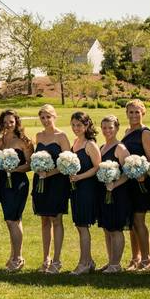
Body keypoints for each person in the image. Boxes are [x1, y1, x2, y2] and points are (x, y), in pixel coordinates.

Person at [32, 104, 70, 273]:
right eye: (43, 117)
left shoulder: (61, 136)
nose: (46, 120)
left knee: (56, 219)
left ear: (54, 117)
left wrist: (50, 173)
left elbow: (68, 163)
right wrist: (39, 169)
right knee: (44, 220)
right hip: (40, 182)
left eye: (48, 116)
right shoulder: (38, 136)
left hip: (57, 183)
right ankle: (45, 258)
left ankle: (56, 260)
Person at [122, 100, 150, 270]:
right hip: (129, 182)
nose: (134, 115)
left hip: (143, 182)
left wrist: (142, 174)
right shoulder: (127, 131)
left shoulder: (145, 133)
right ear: (126, 113)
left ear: (143, 113)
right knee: (131, 222)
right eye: (131, 112)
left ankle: (147, 258)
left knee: (138, 220)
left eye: (137, 112)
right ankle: (135, 258)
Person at [0, 109, 31, 272]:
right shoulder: (1, 141)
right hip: (3, 182)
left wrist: (14, 169)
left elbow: (30, 165)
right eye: (5, 122)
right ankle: (14, 254)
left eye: (11, 122)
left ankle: (18, 258)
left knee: (13, 220)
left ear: (16, 122)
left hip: (18, 183)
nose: (8, 125)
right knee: (10, 221)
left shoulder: (24, 140)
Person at [97, 115, 131, 273]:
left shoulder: (120, 148)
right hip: (104, 193)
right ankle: (111, 261)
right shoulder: (102, 147)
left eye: (110, 127)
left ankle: (116, 264)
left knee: (116, 228)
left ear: (117, 128)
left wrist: (114, 184)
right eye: (104, 127)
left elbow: (128, 172)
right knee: (107, 227)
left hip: (118, 193)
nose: (107, 130)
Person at [68, 112, 101, 275]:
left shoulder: (90, 144)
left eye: (79, 125)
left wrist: (79, 177)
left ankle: (84, 263)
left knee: (83, 226)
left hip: (87, 188)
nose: (76, 128)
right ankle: (89, 261)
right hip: (75, 189)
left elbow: (97, 167)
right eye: (73, 125)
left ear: (87, 126)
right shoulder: (75, 142)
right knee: (79, 226)